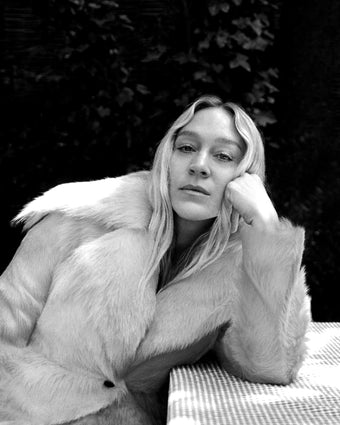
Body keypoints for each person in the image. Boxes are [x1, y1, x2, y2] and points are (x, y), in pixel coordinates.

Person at [0, 95, 311, 424]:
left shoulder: (240, 270)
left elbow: (270, 366)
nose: (199, 165)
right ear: (167, 158)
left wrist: (265, 225)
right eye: (187, 148)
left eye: (223, 156)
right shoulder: (80, 217)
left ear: (246, 178)